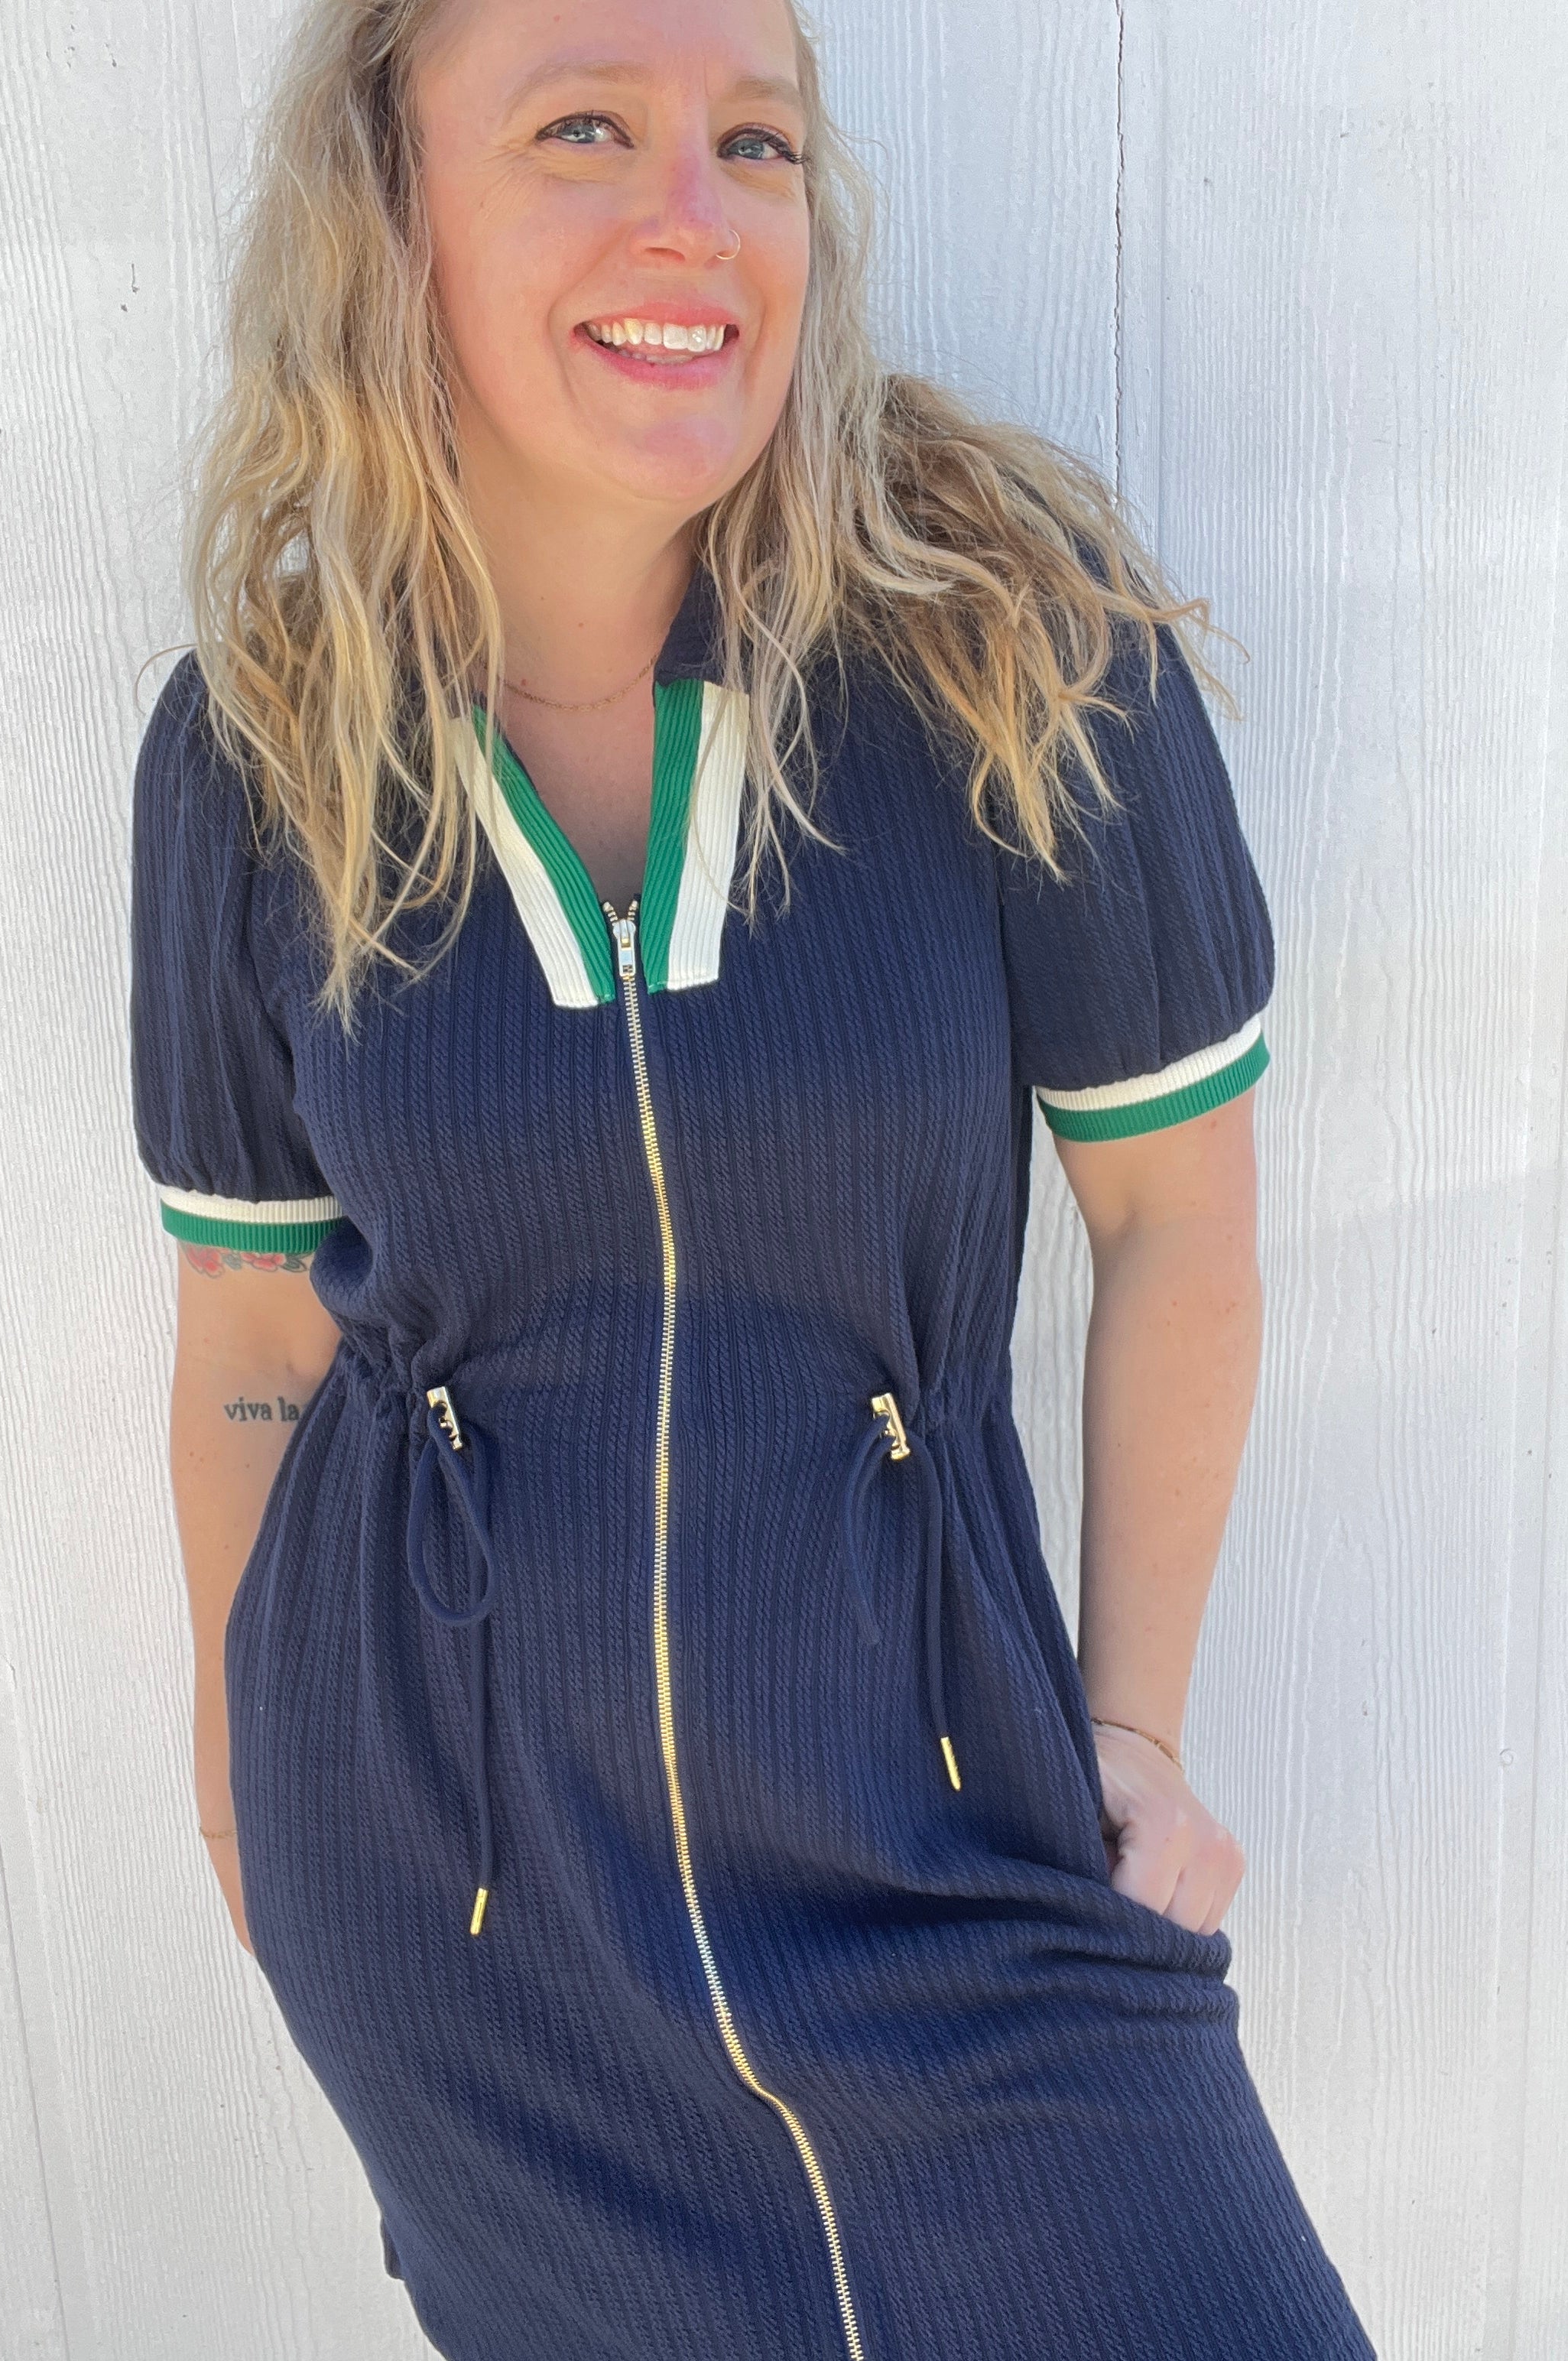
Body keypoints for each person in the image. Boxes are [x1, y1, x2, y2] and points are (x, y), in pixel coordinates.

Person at [128, 0, 1375, 2353]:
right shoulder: (258, 750)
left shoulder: (1008, 645)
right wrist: (252, 1832)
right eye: (583, 130)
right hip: (465, 1934)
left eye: (756, 142)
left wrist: (1127, 1741)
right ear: (389, 207)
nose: (692, 217)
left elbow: (1171, 1220)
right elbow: (252, 1337)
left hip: (954, 1850)